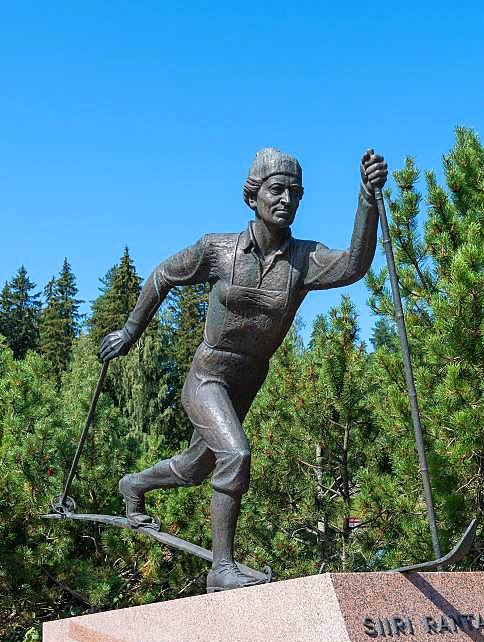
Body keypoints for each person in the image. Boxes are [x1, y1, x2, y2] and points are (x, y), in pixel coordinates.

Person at [100, 147, 388, 592]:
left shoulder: (304, 260)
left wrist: (367, 200)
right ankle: (222, 568)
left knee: (198, 467)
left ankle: (133, 485)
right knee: (236, 454)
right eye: (277, 190)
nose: (287, 200)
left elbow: (354, 265)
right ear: (254, 196)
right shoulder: (218, 250)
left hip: (248, 380)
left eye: (296, 193)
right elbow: (162, 276)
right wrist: (129, 332)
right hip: (208, 377)